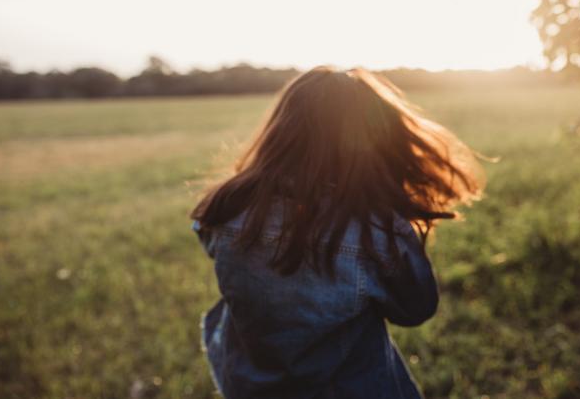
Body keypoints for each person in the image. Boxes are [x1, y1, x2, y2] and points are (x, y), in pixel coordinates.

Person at [190, 65, 484, 399]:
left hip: (250, 387)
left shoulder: (230, 205)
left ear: (282, 133)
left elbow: (209, 243)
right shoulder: (377, 230)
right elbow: (416, 309)